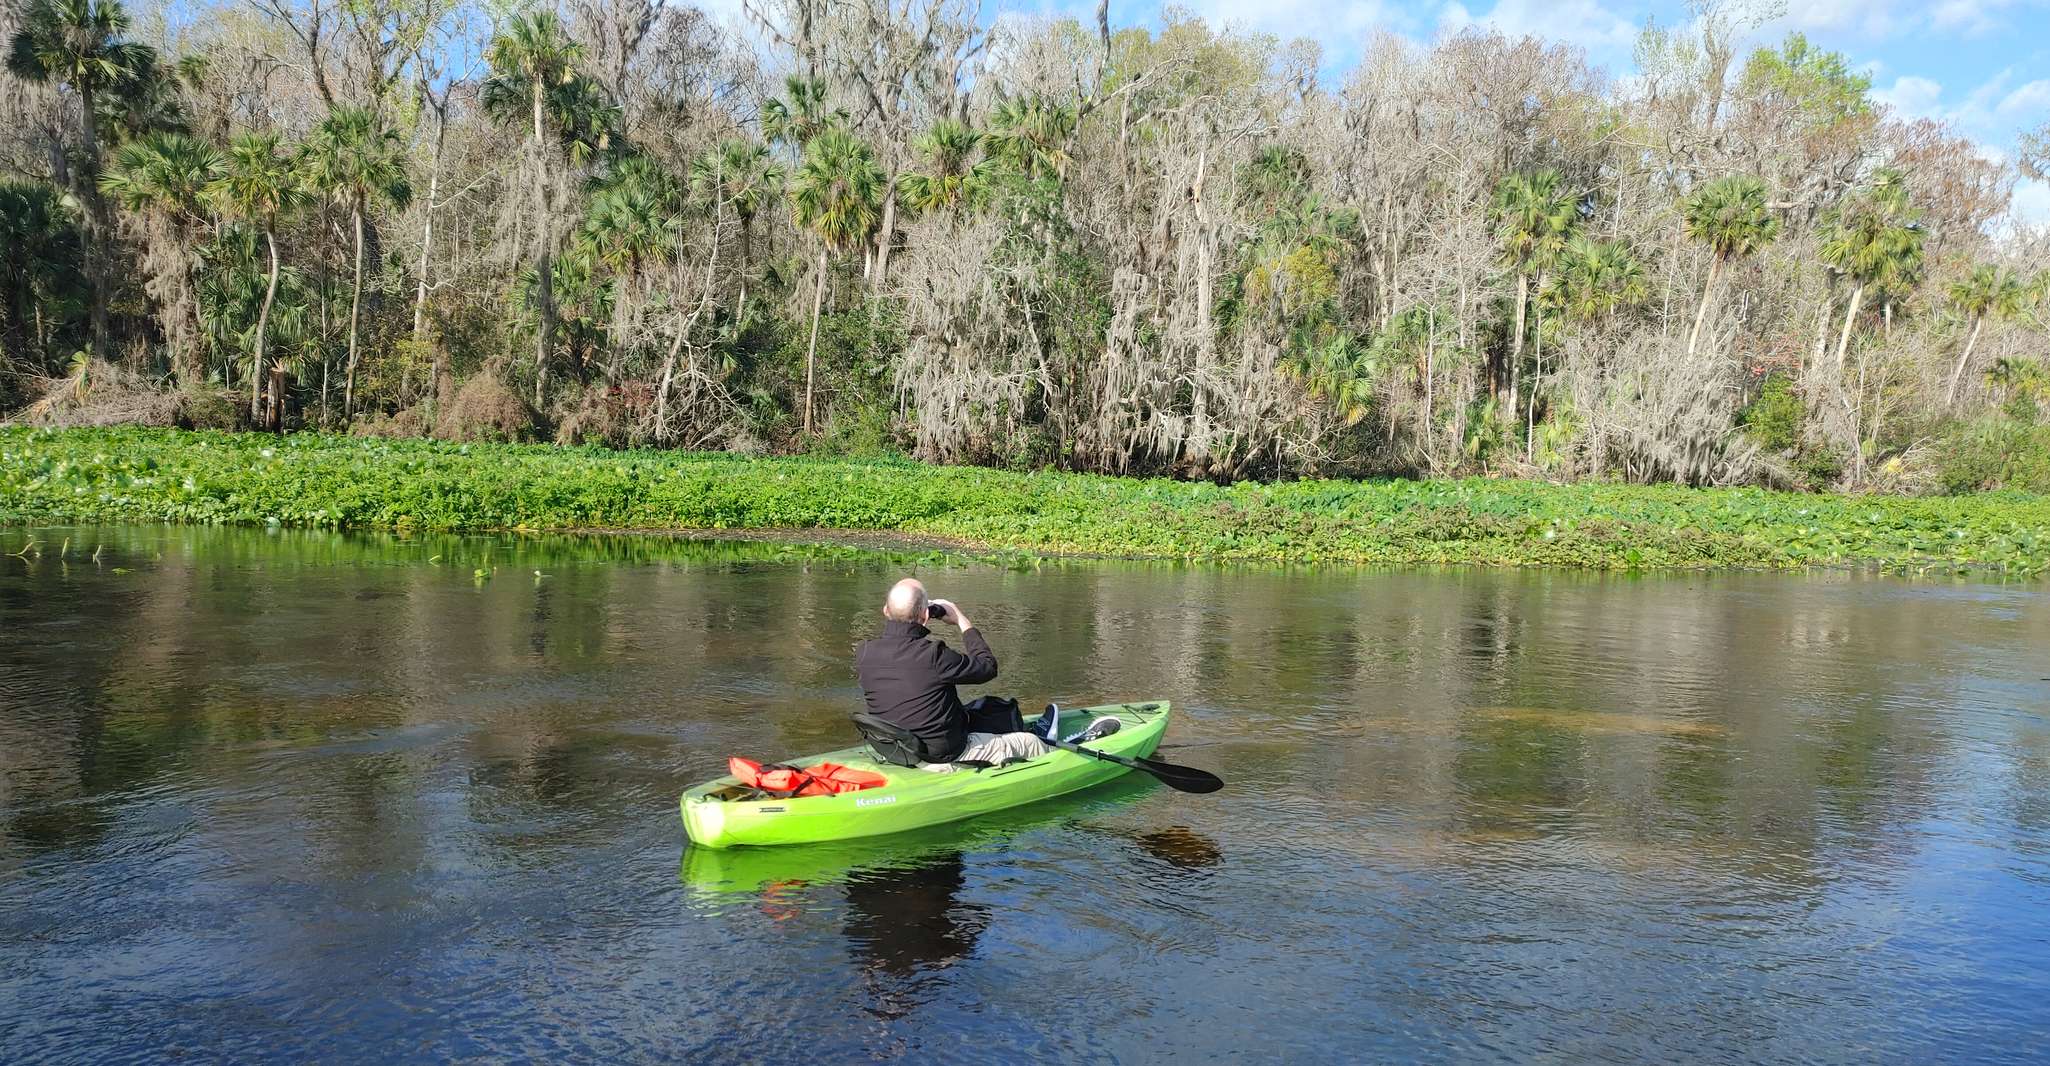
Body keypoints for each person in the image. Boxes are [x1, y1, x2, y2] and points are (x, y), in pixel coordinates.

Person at [855, 578, 1051, 767]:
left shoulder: (864, 651)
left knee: (982, 711)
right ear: (925, 615)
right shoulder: (934, 655)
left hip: (894, 747)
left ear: (885, 611)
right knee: (1031, 742)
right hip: (941, 756)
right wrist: (961, 620)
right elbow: (987, 667)